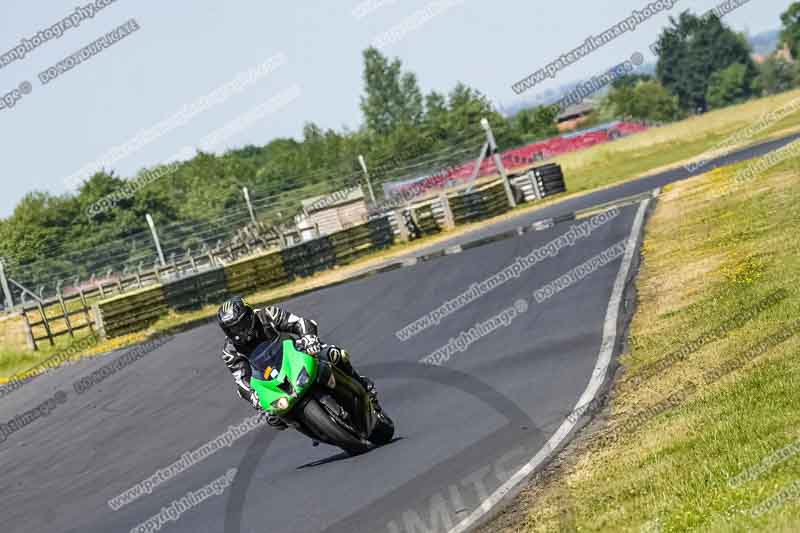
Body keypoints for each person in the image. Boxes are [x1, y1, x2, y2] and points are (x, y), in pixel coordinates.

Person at [217, 296, 376, 430]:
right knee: (273, 419)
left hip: (295, 354)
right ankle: (311, 427)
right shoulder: (229, 350)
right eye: (231, 329)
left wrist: (308, 337)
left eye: (241, 325)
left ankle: (363, 384)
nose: (238, 332)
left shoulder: (267, 315)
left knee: (333, 354)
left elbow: (299, 322)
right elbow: (241, 380)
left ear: (250, 316)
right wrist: (254, 397)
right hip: (270, 378)